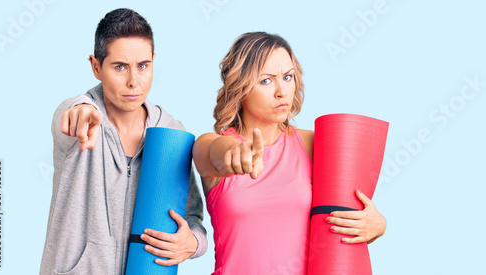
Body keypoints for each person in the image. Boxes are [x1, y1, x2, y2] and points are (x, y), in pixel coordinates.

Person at [192, 32, 386, 274]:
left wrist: (377, 225)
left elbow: (346, 214)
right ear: (240, 88)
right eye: (266, 80)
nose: (282, 91)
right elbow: (208, 154)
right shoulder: (213, 143)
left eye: (287, 77)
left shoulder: (316, 144)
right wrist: (234, 151)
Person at [40, 8, 207, 275]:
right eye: (120, 67)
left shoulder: (170, 134)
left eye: (143, 66)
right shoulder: (79, 120)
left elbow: (192, 218)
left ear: (153, 61)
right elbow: (70, 116)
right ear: (96, 67)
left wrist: (195, 242)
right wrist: (80, 112)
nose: (133, 82)